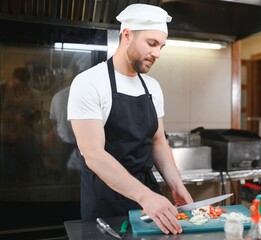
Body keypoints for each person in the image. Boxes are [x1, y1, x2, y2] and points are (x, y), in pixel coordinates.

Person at [67, 3, 193, 235]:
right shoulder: (89, 83)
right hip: (105, 196)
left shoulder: (153, 87)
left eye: (161, 46)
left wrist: (177, 186)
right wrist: (145, 196)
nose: (157, 53)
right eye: (152, 43)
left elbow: (158, 142)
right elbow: (94, 155)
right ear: (126, 35)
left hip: (148, 192)